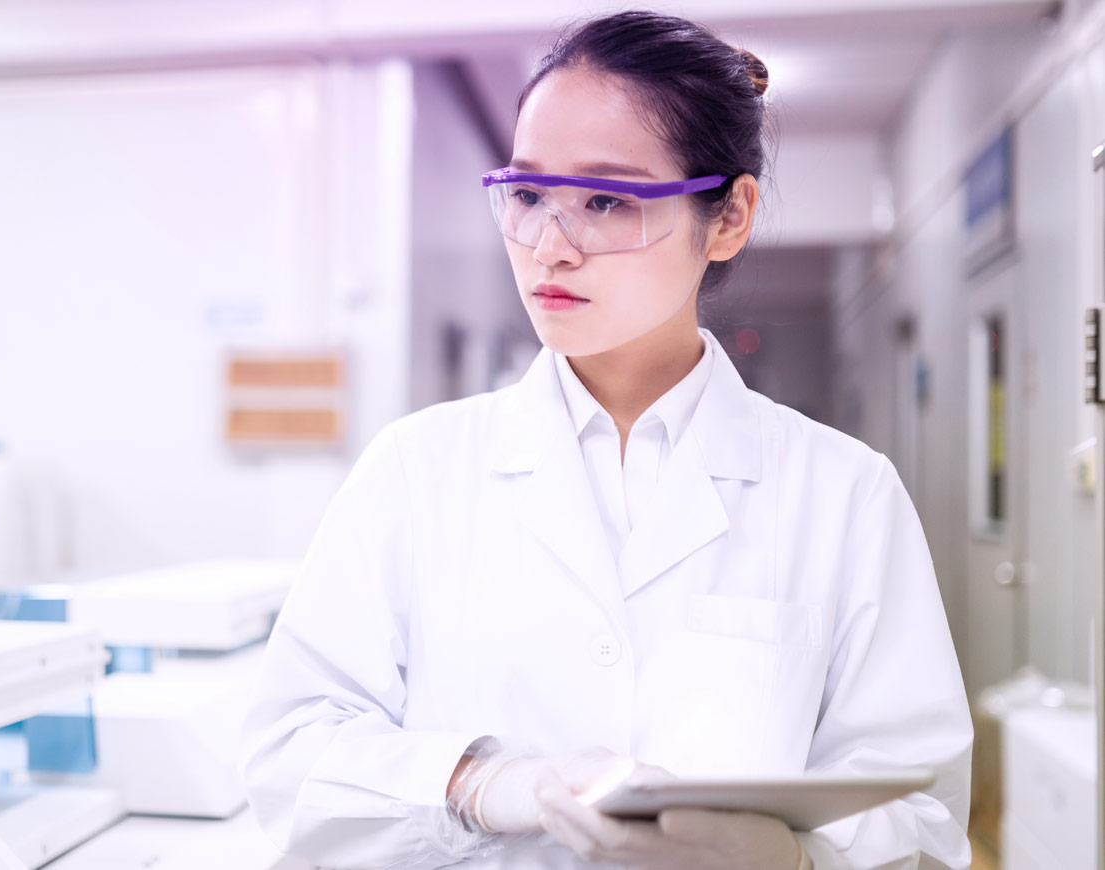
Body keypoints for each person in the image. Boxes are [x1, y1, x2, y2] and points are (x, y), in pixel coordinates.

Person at [237, 9, 973, 869]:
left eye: (605, 200)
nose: (549, 246)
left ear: (729, 216)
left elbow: (922, 818)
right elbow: (290, 756)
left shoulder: (845, 492)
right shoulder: (413, 472)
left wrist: (792, 861)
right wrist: (477, 783)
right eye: (528, 195)